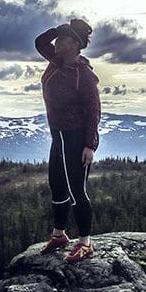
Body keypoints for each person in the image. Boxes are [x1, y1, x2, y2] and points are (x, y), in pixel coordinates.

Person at [34, 18, 101, 262]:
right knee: (57, 186)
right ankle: (59, 234)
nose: (57, 42)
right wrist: (56, 29)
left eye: (63, 38)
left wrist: (89, 145)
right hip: (58, 137)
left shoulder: (82, 74)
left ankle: (85, 242)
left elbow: (94, 110)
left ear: (74, 44)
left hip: (76, 138)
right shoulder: (56, 61)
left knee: (76, 191)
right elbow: (39, 42)